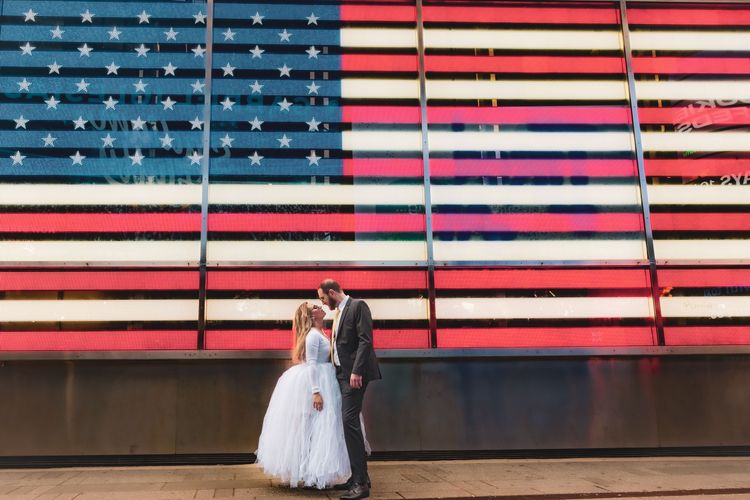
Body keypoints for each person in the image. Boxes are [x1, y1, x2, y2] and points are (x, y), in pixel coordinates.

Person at [255, 302, 350, 489]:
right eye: (315, 307)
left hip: (326, 380)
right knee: (314, 427)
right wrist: (316, 392)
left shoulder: (322, 333)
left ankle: (316, 471)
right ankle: (309, 472)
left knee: (323, 428)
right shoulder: (312, 336)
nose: (319, 307)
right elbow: (312, 364)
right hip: (316, 383)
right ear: (311, 316)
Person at [318, 279, 382, 500]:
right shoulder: (338, 312)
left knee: (349, 422)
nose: (323, 303)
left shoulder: (357, 306)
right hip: (342, 375)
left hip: (354, 376)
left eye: (323, 298)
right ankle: (357, 477)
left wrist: (356, 371)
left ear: (332, 292)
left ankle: (361, 484)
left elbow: (366, 341)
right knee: (348, 423)